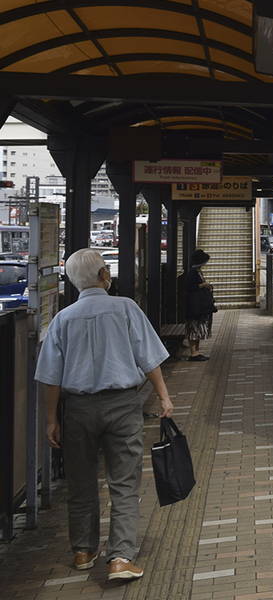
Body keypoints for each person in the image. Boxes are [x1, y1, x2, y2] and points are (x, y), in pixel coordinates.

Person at [34, 248, 173, 582]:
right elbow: (149, 357)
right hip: (123, 406)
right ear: (104, 275)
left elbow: (51, 377)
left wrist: (51, 419)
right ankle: (121, 558)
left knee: (81, 481)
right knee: (124, 483)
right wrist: (164, 397)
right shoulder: (125, 308)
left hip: (78, 409)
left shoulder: (63, 319)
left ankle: (83, 551)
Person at [184, 248, 217, 361]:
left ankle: (196, 352)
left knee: (196, 328)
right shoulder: (192, 273)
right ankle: (194, 353)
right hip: (194, 306)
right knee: (194, 328)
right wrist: (203, 285)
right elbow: (190, 287)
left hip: (197, 305)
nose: (205, 264)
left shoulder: (196, 271)